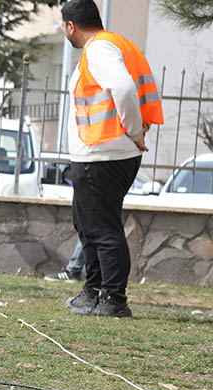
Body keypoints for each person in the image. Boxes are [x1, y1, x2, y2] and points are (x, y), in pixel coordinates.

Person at [60, 0, 163, 317]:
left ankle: (113, 299)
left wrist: (133, 131)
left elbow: (123, 88)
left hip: (103, 153)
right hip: (101, 153)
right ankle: (92, 292)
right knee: (90, 226)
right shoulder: (117, 44)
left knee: (102, 229)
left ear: (71, 26)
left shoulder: (99, 49)